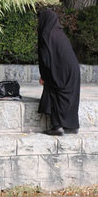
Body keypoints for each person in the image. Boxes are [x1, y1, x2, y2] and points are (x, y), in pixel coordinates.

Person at [37, 8, 80, 136]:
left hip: (61, 69)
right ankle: (71, 125)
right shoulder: (59, 32)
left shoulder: (46, 34)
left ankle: (56, 126)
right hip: (73, 69)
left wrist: (44, 76)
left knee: (53, 91)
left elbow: (45, 58)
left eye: (40, 19)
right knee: (69, 94)